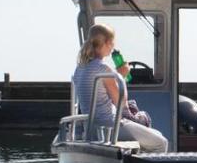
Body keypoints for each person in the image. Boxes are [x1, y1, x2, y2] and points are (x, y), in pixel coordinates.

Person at [72, 24, 169, 152]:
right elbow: (121, 102)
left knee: (155, 135)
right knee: (161, 143)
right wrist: (121, 76)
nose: (113, 46)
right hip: (109, 127)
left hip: (90, 127)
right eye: (112, 42)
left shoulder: (79, 68)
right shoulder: (103, 69)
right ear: (107, 43)